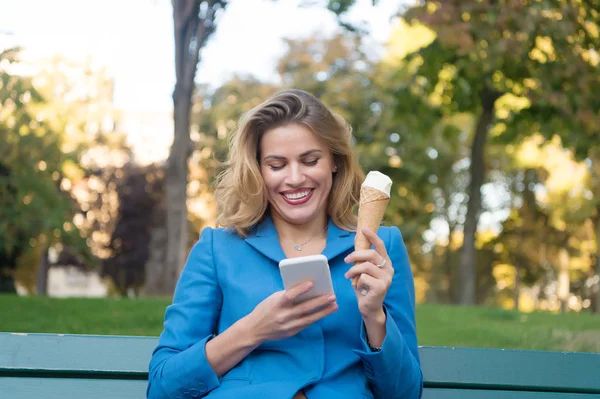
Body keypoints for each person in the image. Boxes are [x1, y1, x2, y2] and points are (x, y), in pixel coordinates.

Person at [147, 89, 423, 399]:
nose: (294, 178)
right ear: (259, 170)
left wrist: (375, 316)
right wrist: (252, 330)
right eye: (277, 165)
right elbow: (162, 387)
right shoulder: (216, 249)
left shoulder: (380, 248)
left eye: (310, 160)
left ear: (334, 161)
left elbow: (406, 394)